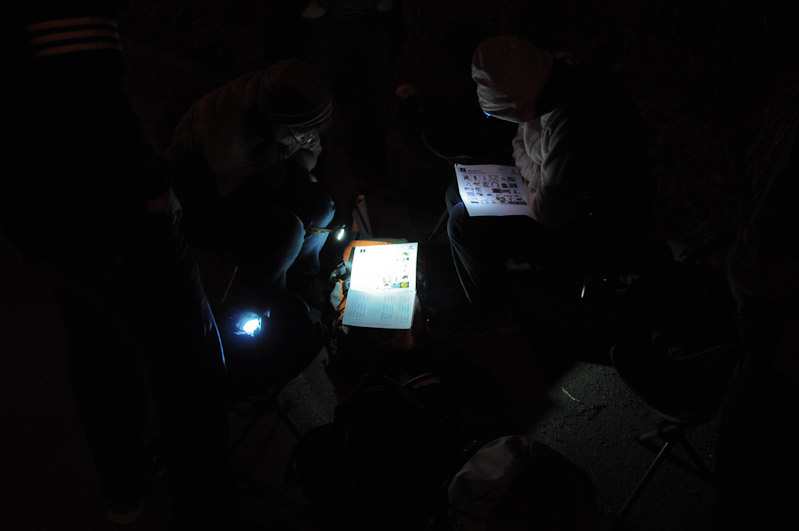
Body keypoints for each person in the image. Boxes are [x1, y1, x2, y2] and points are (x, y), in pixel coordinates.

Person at [7, 4, 231, 530]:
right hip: (110, 218)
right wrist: (154, 192)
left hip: (38, 219)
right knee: (187, 365)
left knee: (96, 350)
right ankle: (203, 505)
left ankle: (124, 491)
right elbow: (92, 97)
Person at [446, 35, 655, 309]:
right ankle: (497, 280)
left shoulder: (576, 119)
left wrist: (533, 178)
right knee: (456, 190)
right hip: (553, 200)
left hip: (596, 231)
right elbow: (518, 143)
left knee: (463, 221)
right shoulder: (544, 81)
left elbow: (549, 212)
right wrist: (538, 176)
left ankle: (497, 313)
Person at [165, 59, 336, 304]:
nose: (310, 136)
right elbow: (226, 197)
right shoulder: (226, 139)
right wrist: (282, 193)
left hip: (264, 175)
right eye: (303, 133)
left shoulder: (292, 108)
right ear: (280, 126)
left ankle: (302, 281)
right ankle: (266, 301)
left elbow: (309, 149)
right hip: (211, 199)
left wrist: (299, 173)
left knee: (321, 207)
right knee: (286, 232)